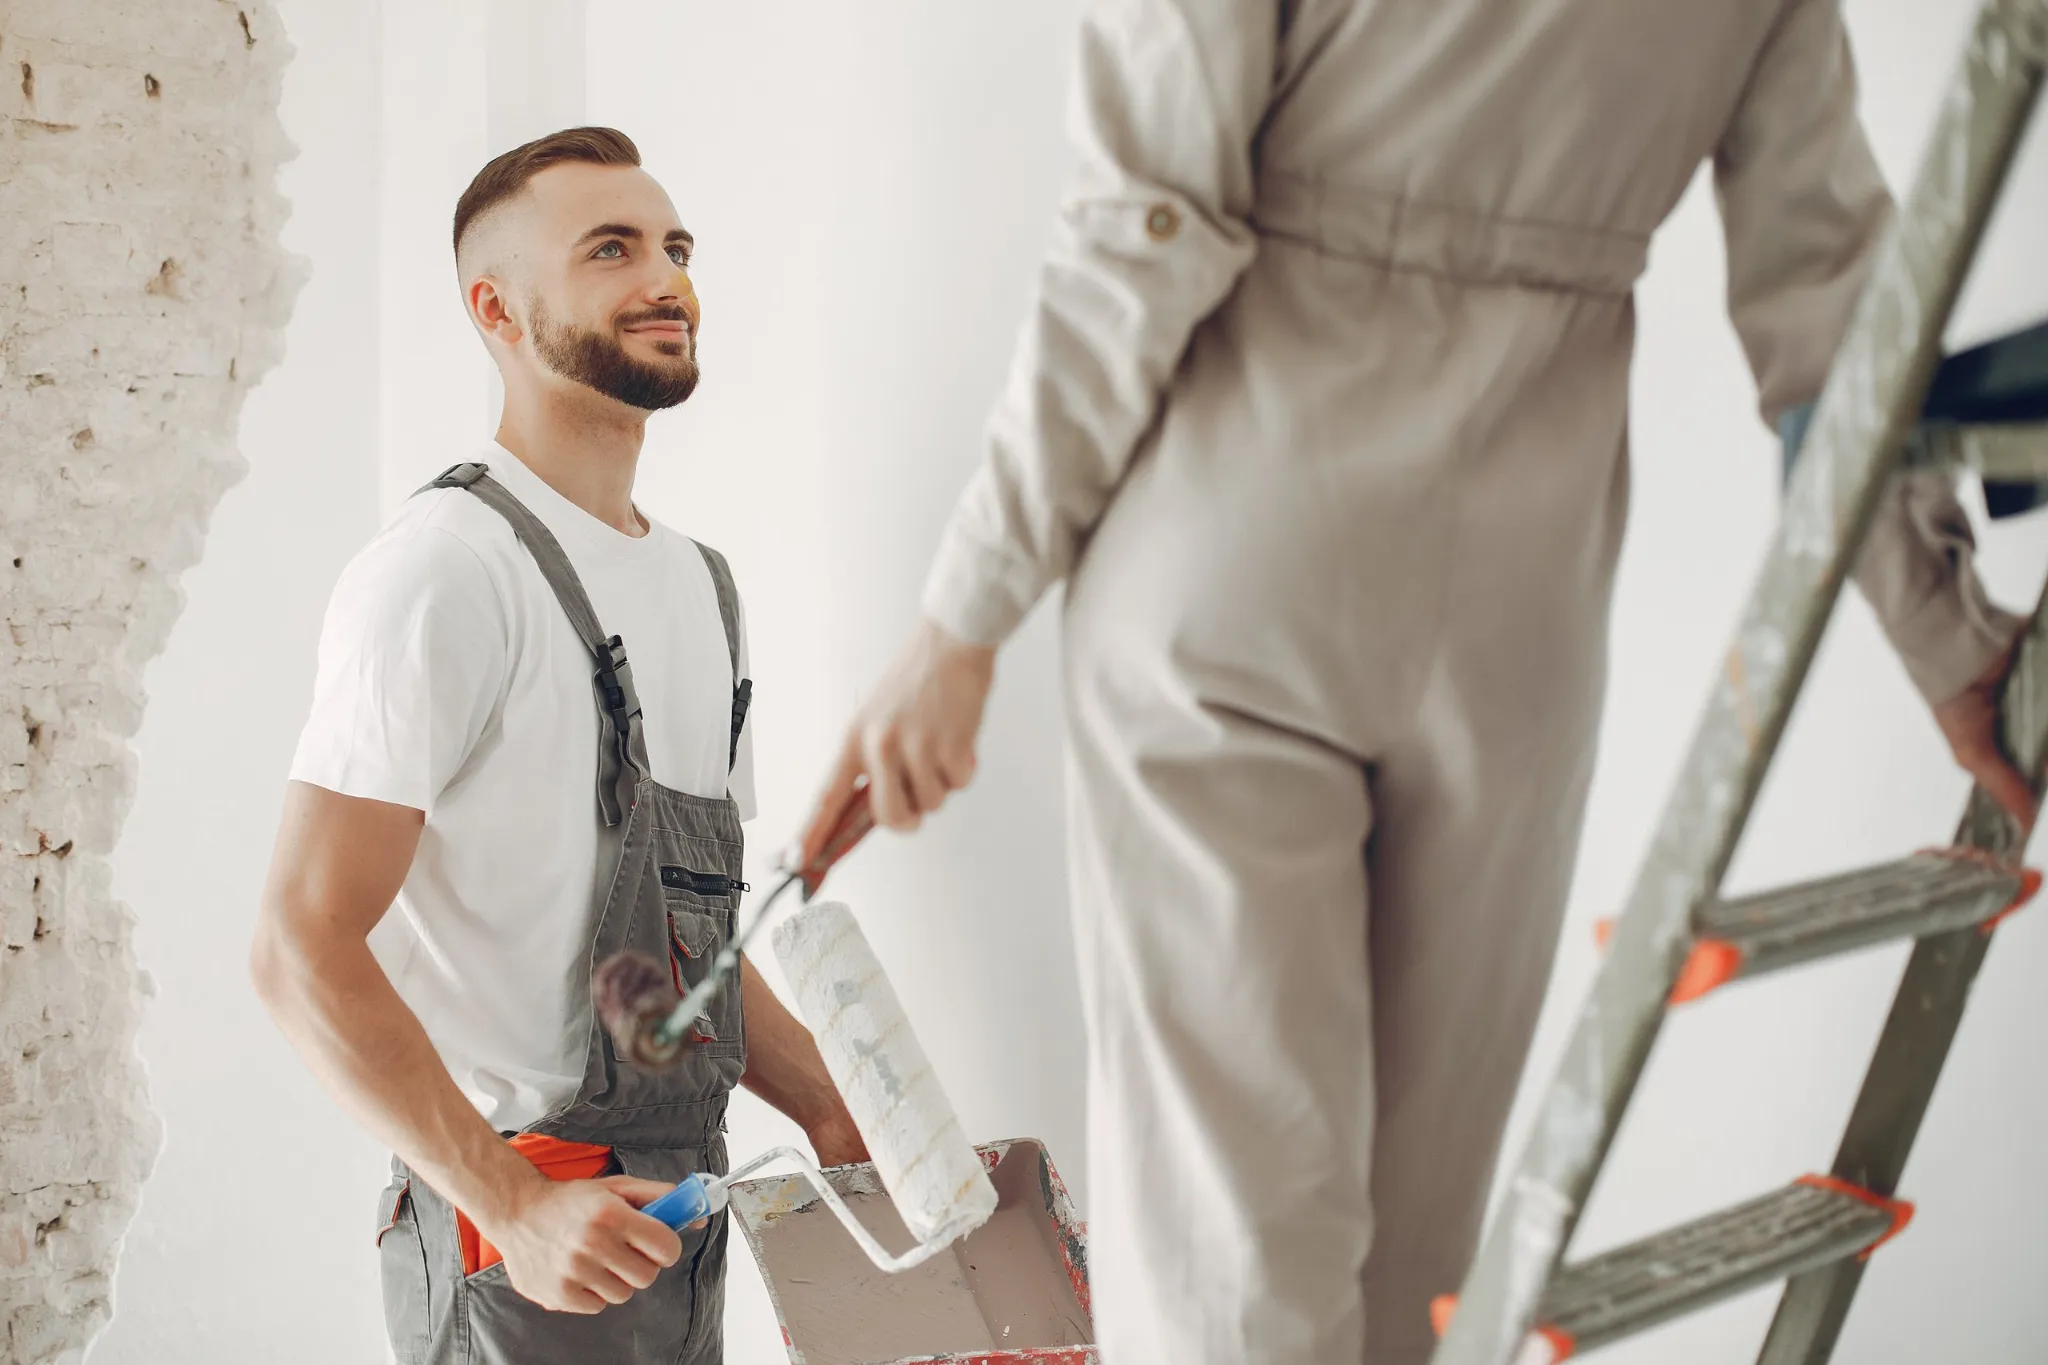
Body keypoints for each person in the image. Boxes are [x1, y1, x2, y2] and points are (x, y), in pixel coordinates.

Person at [799, 4, 2036, 1362]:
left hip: (1233, 561)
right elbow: (1836, 314)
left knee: (1233, 1274)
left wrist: (964, 617)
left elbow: (1138, 232)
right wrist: (1950, 635)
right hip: (1518, 600)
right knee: (1413, 1265)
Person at [252, 127, 866, 1365]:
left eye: (674, 247)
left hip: (679, 1223)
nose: (665, 278)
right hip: (518, 1243)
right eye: (610, 249)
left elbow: (683, 955)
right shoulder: (443, 572)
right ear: (496, 307)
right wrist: (514, 1206)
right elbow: (296, 946)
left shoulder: (704, 590)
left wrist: (843, 1117)